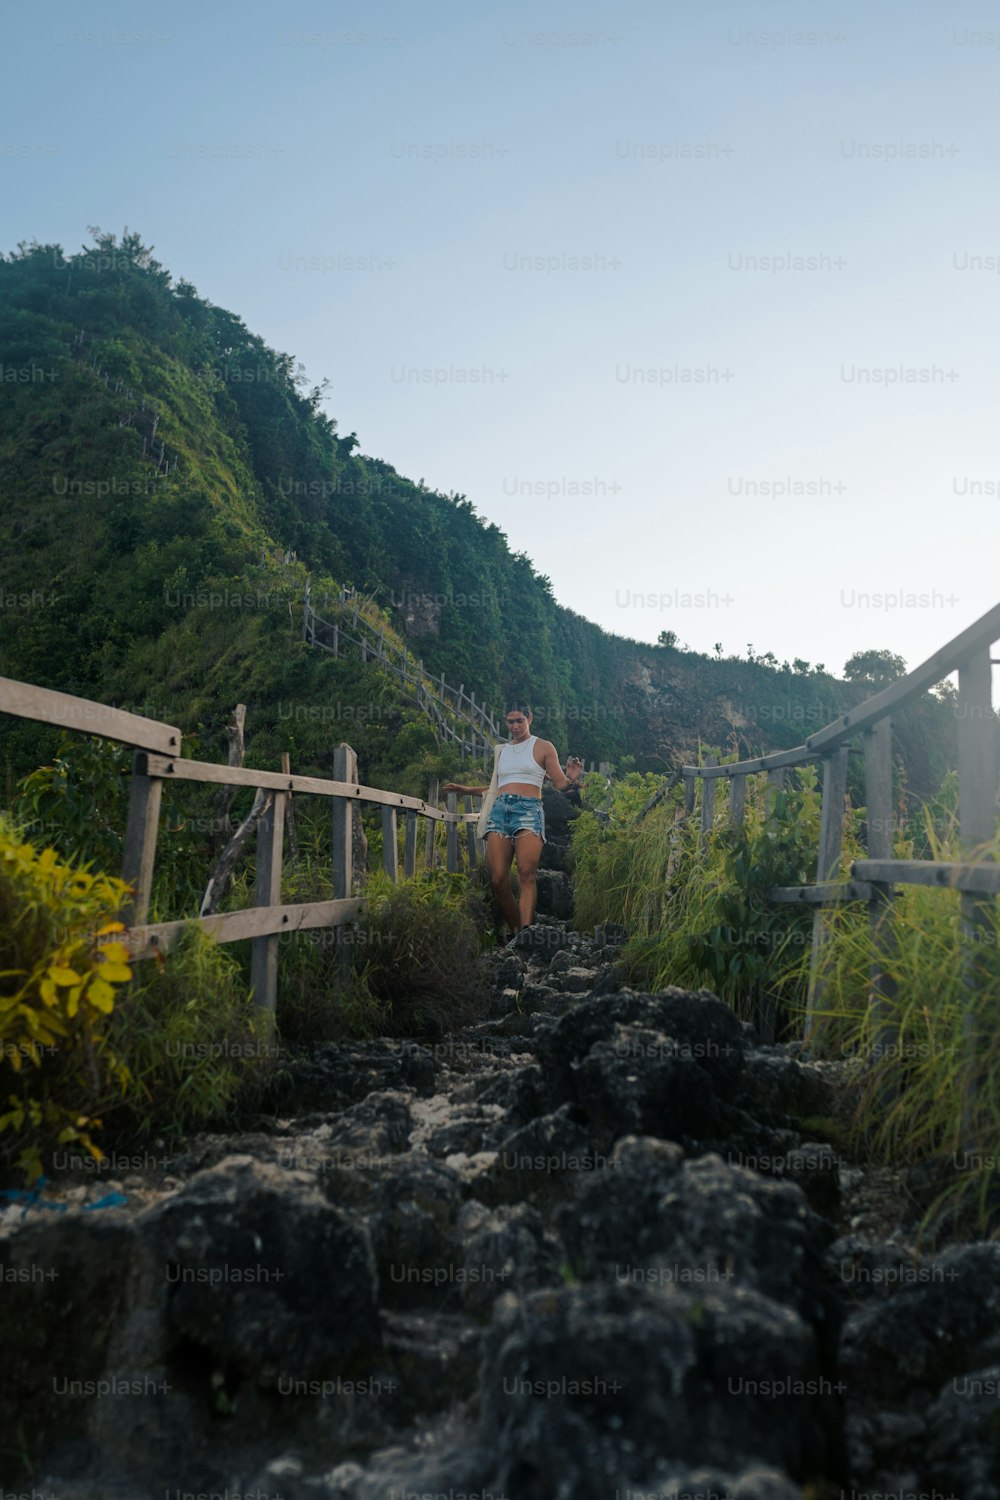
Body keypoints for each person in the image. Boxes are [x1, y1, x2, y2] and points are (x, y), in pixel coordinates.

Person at [444, 705, 583, 944]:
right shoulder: (502, 751)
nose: (515, 726)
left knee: (526, 875)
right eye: (510, 722)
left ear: (530, 718)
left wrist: (571, 777)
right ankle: (517, 929)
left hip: (529, 810)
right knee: (498, 879)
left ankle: (526, 936)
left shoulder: (543, 747)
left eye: (519, 720)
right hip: (500, 810)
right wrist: (465, 789)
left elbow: (560, 784)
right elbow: (497, 787)